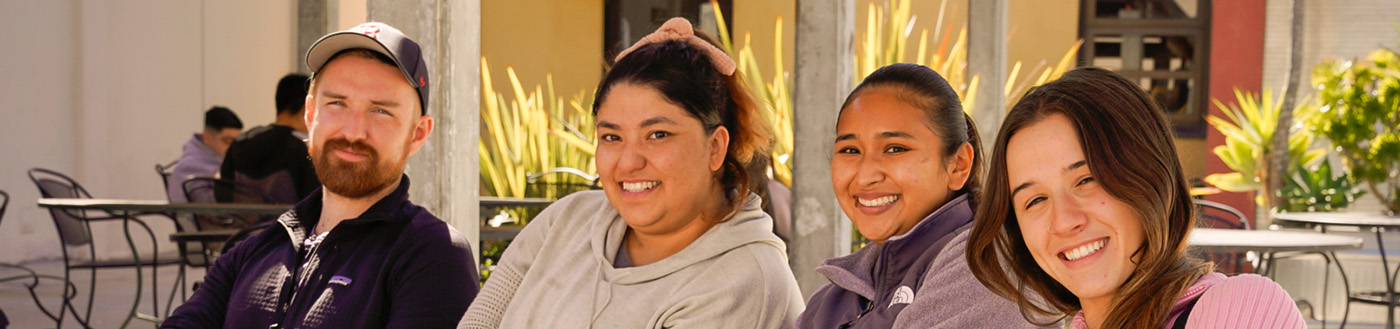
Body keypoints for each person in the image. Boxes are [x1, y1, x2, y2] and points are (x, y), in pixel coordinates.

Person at [459, 17, 803, 329]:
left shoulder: (743, 283)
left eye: (657, 135)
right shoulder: (567, 221)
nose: (628, 162)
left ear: (715, 147)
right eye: (612, 137)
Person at [162, 22, 479, 329]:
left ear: (418, 133)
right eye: (337, 103)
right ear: (311, 114)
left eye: (381, 110)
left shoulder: (432, 254)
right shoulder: (252, 250)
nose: (354, 131)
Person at [965, 67, 1305, 329]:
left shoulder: (1237, 309)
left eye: (1087, 179)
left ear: (1149, 178)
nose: (1064, 220)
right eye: (1035, 200)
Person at [793, 63, 1046, 329]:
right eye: (850, 150)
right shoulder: (835, 295)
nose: (865, 176)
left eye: (895, 149)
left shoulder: (987, 266)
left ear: (958, 164)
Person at [217, 73, 319, 204]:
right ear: (306, 108)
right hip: (288, 223)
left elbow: (222, 194)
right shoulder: (302, 147)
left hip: (240, 222)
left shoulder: (242, 141)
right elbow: (313, 202)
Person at [167, 106, 243, 203]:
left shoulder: (216, 160)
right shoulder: (190, 166)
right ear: (206, 137)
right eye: (227, 141)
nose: (233, 147)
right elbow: (207, 207)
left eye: (237, 142)